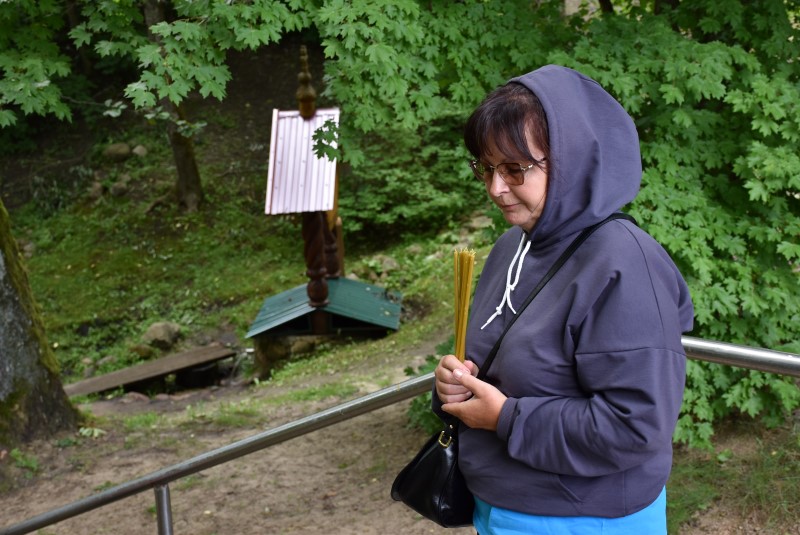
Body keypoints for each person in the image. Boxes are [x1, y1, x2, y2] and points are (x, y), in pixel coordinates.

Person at [433, 65, 694, 534]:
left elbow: (634, 426)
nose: (495, 188)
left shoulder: (624, 265)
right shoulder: (513, 246)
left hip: (582, 517)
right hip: (498, 505)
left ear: (571, 158)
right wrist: (456, 385)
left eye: (514, 168)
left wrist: (506, 418)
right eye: (486, 167)